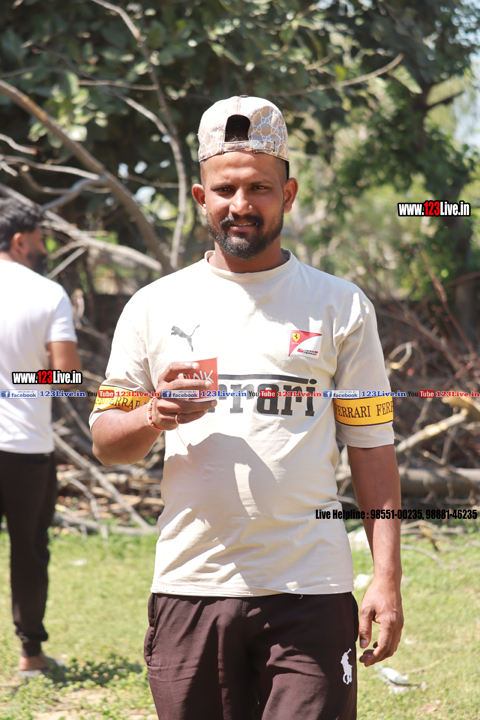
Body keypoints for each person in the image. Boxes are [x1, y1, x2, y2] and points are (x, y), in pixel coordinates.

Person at [90, 96, 403, 720]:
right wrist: (154, 414)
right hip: (191, 587)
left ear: (288, 194)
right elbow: (106, 441)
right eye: (225, 189)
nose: (241, 204)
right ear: (200, 198)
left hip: (310, 589)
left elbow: (372, 451)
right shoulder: (154, 306)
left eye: (259, 187)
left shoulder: (340, 305)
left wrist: (386, 578)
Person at [0, 199, 81, 676]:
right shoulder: (48, 294)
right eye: (39, 238)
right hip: (25, 448)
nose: (44, 247)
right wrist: (22, 381)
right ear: (19, 241)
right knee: (28, 552)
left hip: (24, 444)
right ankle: (31, 654)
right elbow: (67, 378)